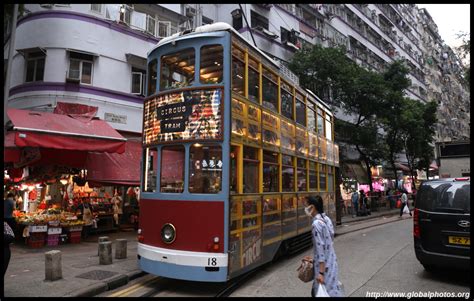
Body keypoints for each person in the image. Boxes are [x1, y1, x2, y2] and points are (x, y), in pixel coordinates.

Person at [304, 196, 343, 297]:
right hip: (332, 262)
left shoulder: (316, 225)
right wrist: (314, 259)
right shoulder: (326, 219)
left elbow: (320, 249)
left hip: (324, 268)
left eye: (306, 206)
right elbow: (329, 242)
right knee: (331, 291)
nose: (305, 208)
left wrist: (320, 273)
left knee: (321, 293)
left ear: (312, 207)